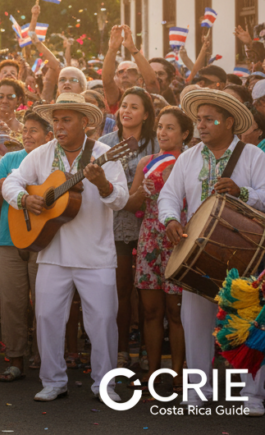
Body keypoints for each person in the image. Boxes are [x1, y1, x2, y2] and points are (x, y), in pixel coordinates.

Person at [2, 92, 129, 404]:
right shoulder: (42, 154)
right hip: (51, 253)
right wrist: (24, 199)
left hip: (95, 255)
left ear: (84, 122)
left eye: (66, 120)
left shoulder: (105, 154)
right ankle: (53, 381)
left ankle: (104, 383)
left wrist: (102, 184)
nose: (58, 126)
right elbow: (10, 182)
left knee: (101, 322)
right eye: (55, 120)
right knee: (46, 318)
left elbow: (121, 200)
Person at [160, 89, 265, 413]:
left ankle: (251, 396)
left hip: (246, 256)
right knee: (194, 322)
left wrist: (242, 191)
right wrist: (171, 221)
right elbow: (168, 195)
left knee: (247, 324)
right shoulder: (189, 157)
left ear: (229, 122)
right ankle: (197, 391)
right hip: (198, 254)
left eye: (210, 119)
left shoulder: (254, 156)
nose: (202, 125)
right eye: (199, 119)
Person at [0, 112, 53, 383]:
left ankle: (45, 358)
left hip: (44, 241)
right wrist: (6, 185)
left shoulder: (54, 161)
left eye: (34, 130)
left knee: (45, 304)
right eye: (24, 129)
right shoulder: (9, 159)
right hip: (8, 239)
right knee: (11, 303)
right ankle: (15, 360)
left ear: (49, 136)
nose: (26, 134)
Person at [130, 106, 192, 394]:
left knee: (177, 312)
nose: (163, 132)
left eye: (170, 128)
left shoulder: (192, 162)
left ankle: (179, 373)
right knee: (151, 311)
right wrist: (142, 191)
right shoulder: (148, 161)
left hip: (181, 239)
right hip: (150, 240)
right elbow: (131, 204)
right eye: (161, 127)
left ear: (185, 134)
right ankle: (153, 372)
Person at [100, 86, 159, 369]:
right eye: (124, 105)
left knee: (150, 295)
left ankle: (149, 350)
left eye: (134, 107)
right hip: (116, 226)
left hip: (152, 225)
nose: (127, 111)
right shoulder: (104, 143)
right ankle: (122, 350)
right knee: (121, 289)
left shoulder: (158, 144)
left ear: (146, 114)